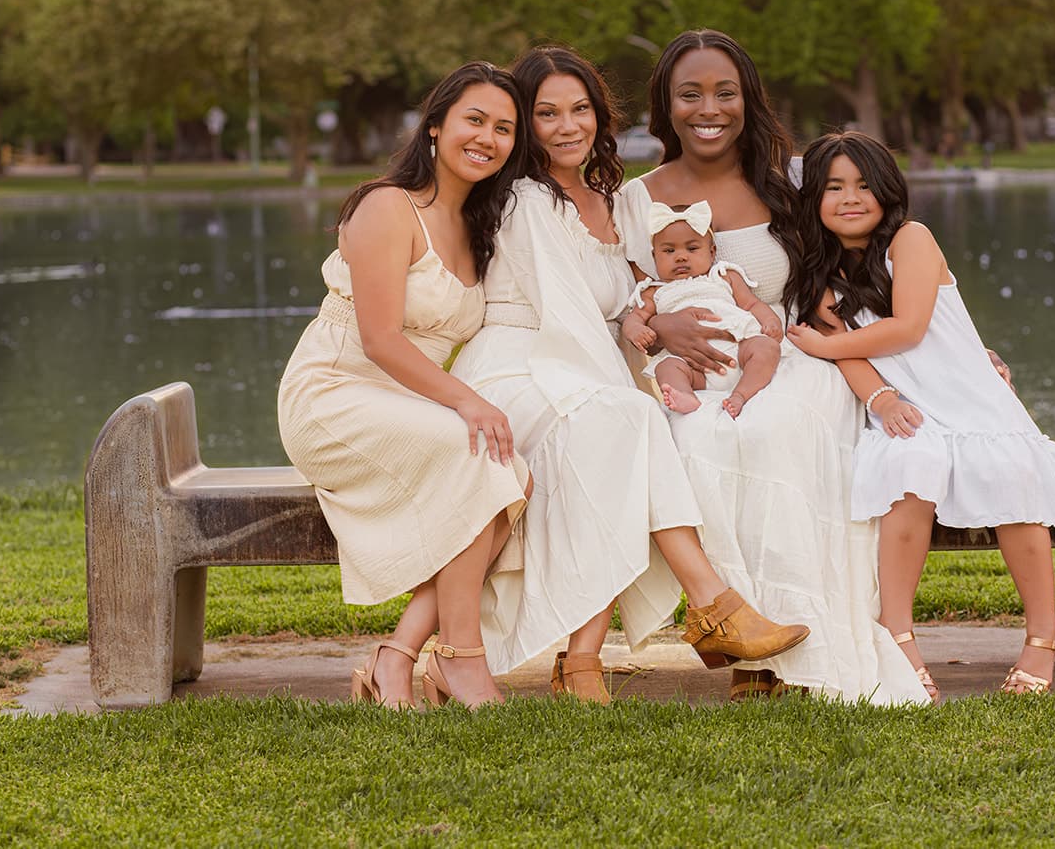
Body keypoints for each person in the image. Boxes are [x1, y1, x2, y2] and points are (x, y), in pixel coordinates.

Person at [450, 45, 810, 703]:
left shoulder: (608, 201)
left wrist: (656, 329)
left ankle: (586, 660)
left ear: (599, 114)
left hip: (576, 369)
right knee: (631, 425)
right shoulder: (527, 199)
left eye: (580, 109)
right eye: (546, 112)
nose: (568, 126)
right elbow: (568, 318)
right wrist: (637, 375)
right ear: (525, 123)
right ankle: (711, 607)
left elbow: (622, 309)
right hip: (519, 365)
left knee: (624, 434)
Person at [616, 30, 930, 705]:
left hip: (787, 358)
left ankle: (790, 647)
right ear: (665, 106)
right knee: (695, 436)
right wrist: (654, 326)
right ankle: (737, 626)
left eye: (725, 92)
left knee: (777, 429)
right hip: (684, 371)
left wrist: (957, 347)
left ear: (747, 99)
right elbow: (610, 296)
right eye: (690, 93)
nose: (710, 107)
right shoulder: (635, 199)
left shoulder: (786, 184)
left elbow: (866, 270)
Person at [786, 131, 1055, 696]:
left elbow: (909, 326)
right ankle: (899, 636)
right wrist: (880, 399)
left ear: (888, 191)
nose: (851, 197)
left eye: (865, 185)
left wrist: (820, 345)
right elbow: (857, 357)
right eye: (834, 186)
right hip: (908, 406)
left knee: (1012, 474)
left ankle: (1042, 637)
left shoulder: (911, 240)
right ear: (813, 198)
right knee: (908, 468)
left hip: (970, 396)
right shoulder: (821, 278)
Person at [277, 62, 535, 711]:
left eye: (504, 128)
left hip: (400, 401)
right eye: (475, 119)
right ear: (435, 126)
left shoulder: (476, 225)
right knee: (481, 457)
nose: (489, 137)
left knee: (513, 475)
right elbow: (381, 339)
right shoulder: (387, 206)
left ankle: (399, 654)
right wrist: (468, 401)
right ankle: (463, 661)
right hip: (331, 394)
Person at [621, 199, 784, 418]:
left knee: (766, 348)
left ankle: (741, 394)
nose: (680, 256)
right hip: (694, 366)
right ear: (654, 257)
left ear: (712, 252)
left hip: (738, 349)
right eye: (669, 251)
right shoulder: (654, 291)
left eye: (692, 248)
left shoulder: (724, 276)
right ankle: (685, 395)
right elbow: (635, 317)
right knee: (667, 367)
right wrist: (635, 330)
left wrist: (770, 321)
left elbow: (751, 303)